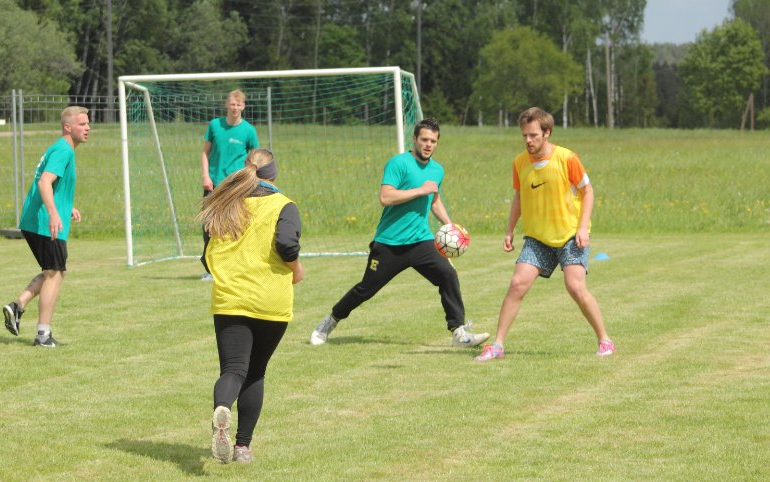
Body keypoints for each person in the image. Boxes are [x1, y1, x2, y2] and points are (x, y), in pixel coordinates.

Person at [310, 117, 488, 348]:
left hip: (421, 241)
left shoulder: (437, 169)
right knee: (366, 289)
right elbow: (386, 197)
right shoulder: (398, 163)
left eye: (433, 141)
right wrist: (419, 190)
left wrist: (450, 225)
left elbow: (433, 199)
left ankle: (458, 332)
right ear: (414, 139)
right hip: (389, 244)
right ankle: (330, 321)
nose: (428, 144)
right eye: (424, 139)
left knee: (448, 275)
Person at [475, 107, 615, 362]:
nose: (528, 141)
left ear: (547, 133)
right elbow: (519, 197)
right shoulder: (519, 162)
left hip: (570, 236)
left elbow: (588, 191)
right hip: (537, 238)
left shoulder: (567, 158)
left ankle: (605, 340)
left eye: (533, 135)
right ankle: (497, 346)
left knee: (575, 287)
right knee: (517, 284)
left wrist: (583, 227)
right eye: (525, 136)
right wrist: (509, 230)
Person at [197, 149, 304, 464]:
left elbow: (207, 255)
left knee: (233, 370)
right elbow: (286, 244)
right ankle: (242, 447)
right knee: (255, 373)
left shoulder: (224, 204)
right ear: (273, 175)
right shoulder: (284, 205)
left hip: (230, 301)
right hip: (270, 301)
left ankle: (223, 409)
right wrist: (296, 267)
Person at [2, 106, 91, 348]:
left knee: (56, 270)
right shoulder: (64, 150)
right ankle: (42, 335)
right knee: (54, 273)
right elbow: (44, 182)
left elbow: (52, 185)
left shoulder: (62, 149)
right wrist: (53, 213)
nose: (88, 128)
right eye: (82, 124)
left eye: (88, 123)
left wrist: (64, 207)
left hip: (40, 220)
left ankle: (18, 305)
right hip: (43, 222)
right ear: (67, 127)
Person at [200, 89, 260, 280]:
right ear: (226, 105)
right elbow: (205, 153)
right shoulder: (214, 125)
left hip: (237, 185)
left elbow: (255, 157)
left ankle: (238, 266)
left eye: (238, 104)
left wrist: (250, 179)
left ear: (243, 106)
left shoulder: (249, 130)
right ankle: (210, 270)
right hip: (215, 183)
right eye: (232, 104)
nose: (235, 108)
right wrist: (205, 177)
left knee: (238, 225)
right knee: (209, 227)